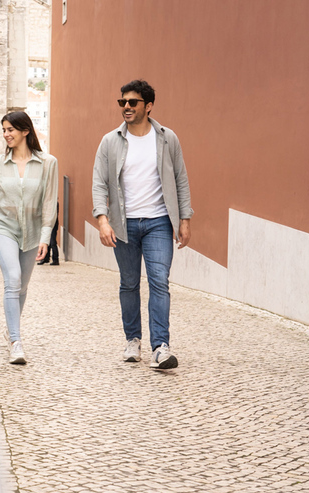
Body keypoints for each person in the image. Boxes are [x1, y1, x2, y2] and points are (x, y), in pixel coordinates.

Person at [92, 79, 193, 370]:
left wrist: (184, 219)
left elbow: (180, 180)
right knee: (129, 283)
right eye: (122, 102)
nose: (126, 106)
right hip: (123, 225)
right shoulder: (110, 141)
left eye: (132, 102)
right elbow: (99, 182)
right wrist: (102, 220)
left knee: (159, 281)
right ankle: (132, 340)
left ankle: (160, 346)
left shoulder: (166, 138)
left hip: (159, 222)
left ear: (148, 106)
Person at [0, 111, 58, 364]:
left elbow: (49, 203)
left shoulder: (48, 163)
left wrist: (45, 237)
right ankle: (16, 341)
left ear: (25, 131)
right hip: (3, 227)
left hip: (33, 230)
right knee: (12, 279)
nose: (6, 134)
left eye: (11, 129)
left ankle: (11, 330)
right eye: (4, 130)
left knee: (22, 286)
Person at [38, 201, 60, 265]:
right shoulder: (46, 203)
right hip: (46, 224)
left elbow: (53, 214)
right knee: (46, 241)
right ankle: (46, 258)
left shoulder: (55, 203)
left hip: (52, 224)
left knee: (53, 242)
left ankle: (56, 260)